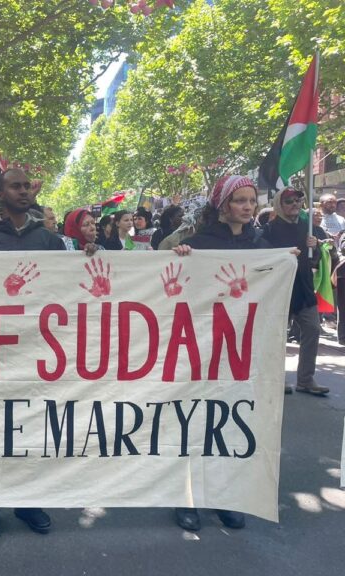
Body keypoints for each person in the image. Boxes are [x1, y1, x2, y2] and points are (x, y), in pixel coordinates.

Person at [0, 167, 62, 538]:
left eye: (27, 186)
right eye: (15, 186)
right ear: (1, 194)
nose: (24, 191)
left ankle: (27, 502)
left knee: (32, 428)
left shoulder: (49, 240)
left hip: (37, 352)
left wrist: (87, 256)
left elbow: (67, 286)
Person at [173, 174, 272, 533]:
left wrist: (288, 263)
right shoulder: (197, 243)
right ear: (223, 204)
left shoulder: (262, 244)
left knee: (231, 424)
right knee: (195, 421)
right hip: (201, 348)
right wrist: (181, 258)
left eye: (252, 201)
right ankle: (186, 498)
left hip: (241, 351)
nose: (248, 207)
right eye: (240, 200)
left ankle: (224, 496)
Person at [263, 187, 327, 396]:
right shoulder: (269, 230)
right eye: (289, 201)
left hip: (304, 288)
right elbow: (263, 259)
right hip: (280, 290)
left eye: (298, 200)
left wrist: (315, 247)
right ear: (279, 204)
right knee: (277, 337)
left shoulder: (308, 227)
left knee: (313, 330)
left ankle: (306, 379)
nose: (295, 204)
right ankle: (275, 380)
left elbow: (316, 259)